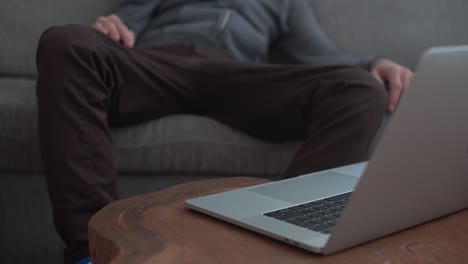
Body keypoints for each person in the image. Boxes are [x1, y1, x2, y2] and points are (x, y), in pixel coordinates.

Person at [35, 0, 413, 263]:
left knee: (360, 89)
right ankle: (94, 252)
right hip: (157, 64)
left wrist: (373, 63)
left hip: (235, 75)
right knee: (65, 42)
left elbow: (319, 54)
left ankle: (287, 248)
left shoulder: (287, 3)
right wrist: (108, 27)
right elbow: (123, 21)